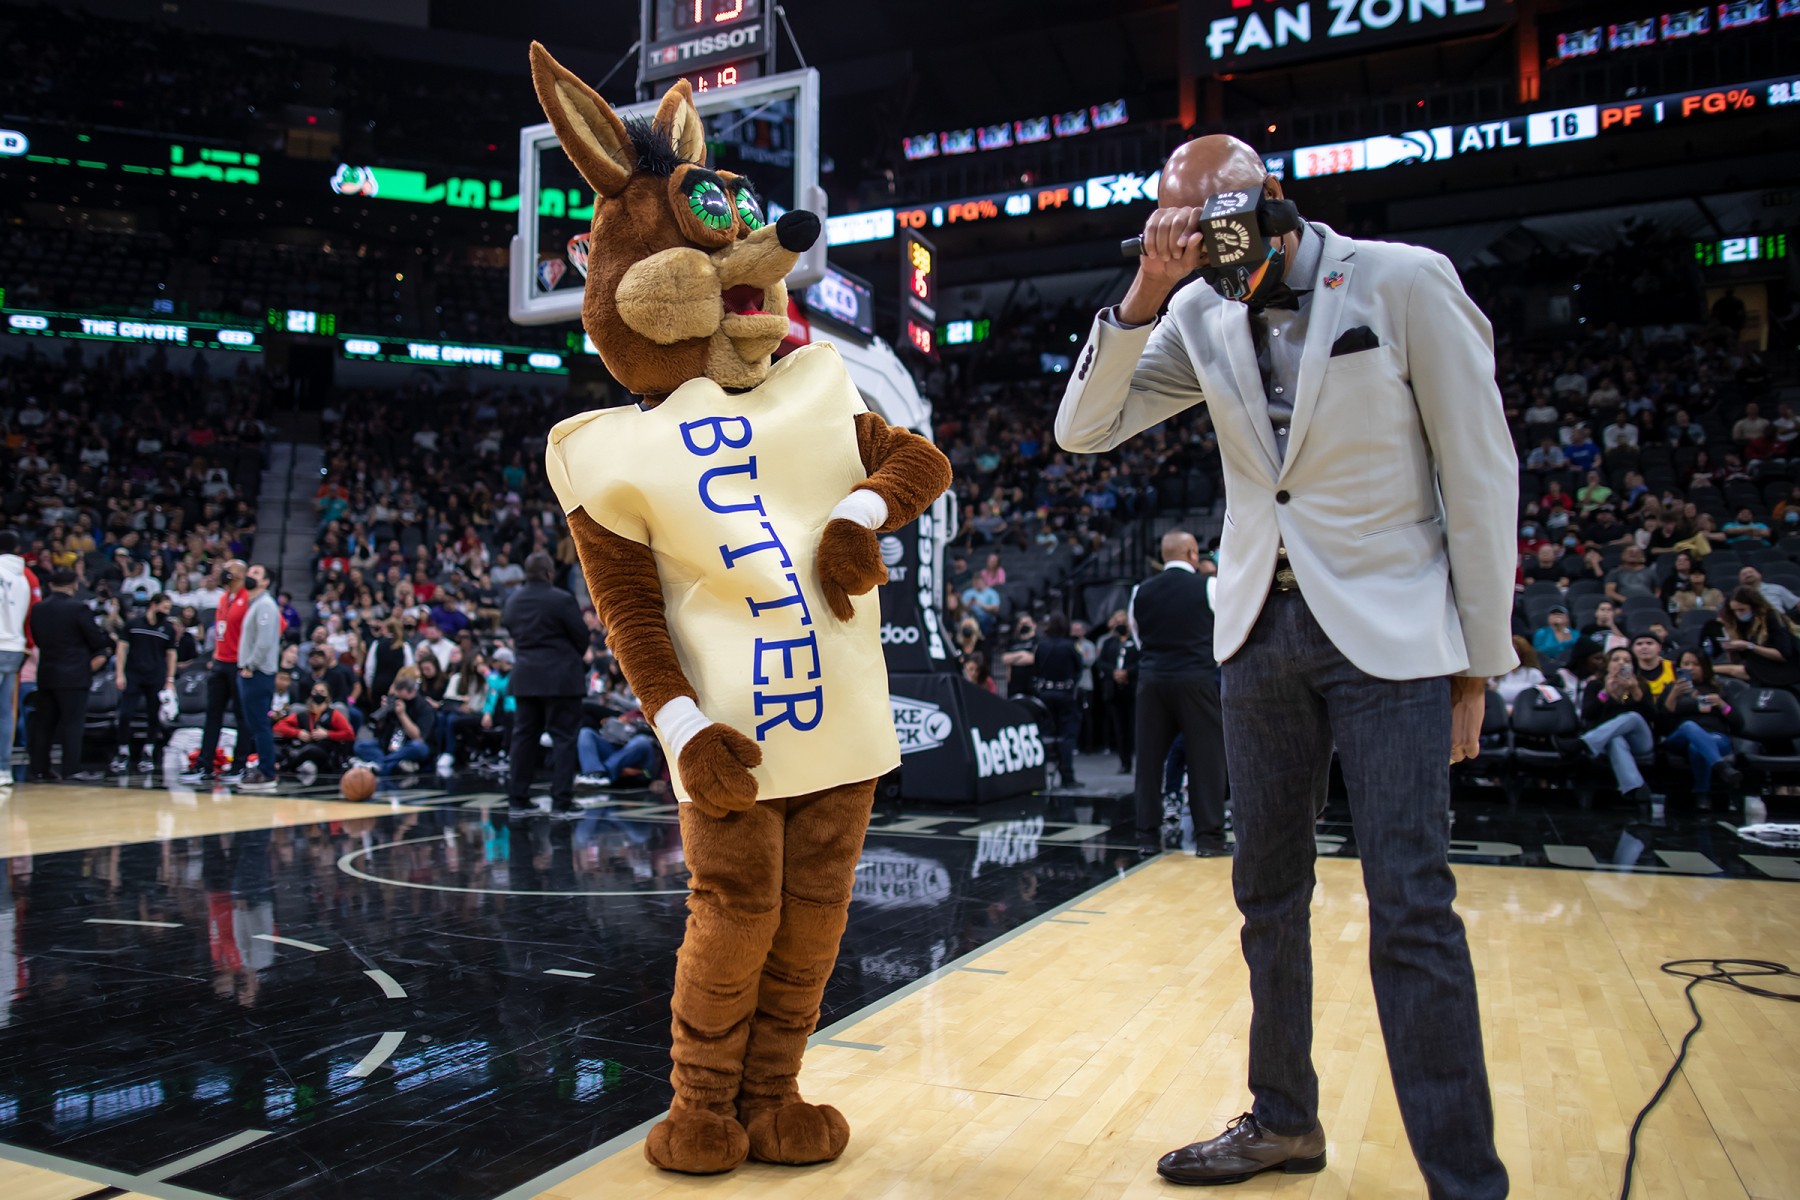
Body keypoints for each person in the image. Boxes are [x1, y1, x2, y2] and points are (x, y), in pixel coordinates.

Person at [1055, 134, 1512, 1193]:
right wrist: (1145, 290)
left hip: (1391, 630)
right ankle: (1284, 1121)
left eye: (1215, 234)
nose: (1210, 261)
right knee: (1265, 894)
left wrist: (1477, 663)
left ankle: (1465, 1180)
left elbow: (1481, 473)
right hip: (1258, 627)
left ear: (1270, 204)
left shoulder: (1403, 281)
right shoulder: (1195, 308)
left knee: (1411, 905)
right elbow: (1085, 429)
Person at [1123, 529, 1228, 856]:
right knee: (1206, 759)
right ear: (1193, 553)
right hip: (1197, 678)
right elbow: (1225, 632)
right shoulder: (1209, 586)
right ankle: (1209, 839)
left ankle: (1147, 837)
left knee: (1149, 761)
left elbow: (1138, 637)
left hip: (1152, 681)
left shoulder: (1140, 590)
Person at [500, 552, 587, 816]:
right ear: (550, 573)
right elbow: (581, 637)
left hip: (525, 677)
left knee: (523, 738)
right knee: (563, 739)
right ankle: (561, 802)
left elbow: (509, 628)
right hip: (561, 678)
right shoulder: (561, 599)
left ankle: (518, 800)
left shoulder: (512, 601)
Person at [25, 568, 111, 782]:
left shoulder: (38, 609)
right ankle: (71, 769)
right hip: (74, 674)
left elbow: (36, 638)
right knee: (73, 723)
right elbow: (96, 640)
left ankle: (40, 769)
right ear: (74, 584)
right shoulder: (78, 608)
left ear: (51, 585)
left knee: (45, 724)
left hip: (47, 673)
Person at [184, 558, 249, 786]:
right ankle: (205, 764)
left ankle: (240, 765)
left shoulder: (248, 599)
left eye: (228, 570)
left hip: (238, 664)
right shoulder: (223, 597)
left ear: (241, 574)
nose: (223, 573)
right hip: (220, 662)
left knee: (242, 717)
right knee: (212, 715)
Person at [1656, 649, 1743, 807]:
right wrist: (1673, 696)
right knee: (1689, 726)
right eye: (1686, 664)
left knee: (1696, 747)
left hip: (1715, 736)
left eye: (1695, 664)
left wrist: (1722, 704)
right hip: (1679, 738)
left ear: (1705, 666)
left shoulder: (1719, 689)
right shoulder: (1671, 689)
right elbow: (1662, 725)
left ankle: (1702, 795)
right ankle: (1721, 766)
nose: (1690, 668)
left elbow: (1738, 723)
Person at [1575, 646, 1657, 805]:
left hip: (1640, 741)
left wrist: (1635, 691)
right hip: (1607, 741)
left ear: (1633, 666)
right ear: (1607, 665)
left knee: (1632, 717)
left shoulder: (1642, 685)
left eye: (1627, 660)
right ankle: (1636, 788)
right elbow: (1588, 715)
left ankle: (1584, 743)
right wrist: (1606, 693)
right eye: (1616, 659)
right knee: (1616, 739)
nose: (1621, 663)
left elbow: (1653, 717)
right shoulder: (1596, 686)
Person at [110, 591, 177, 775]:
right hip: (133, 674)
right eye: (164, 608)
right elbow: (122, 649)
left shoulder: (168, 629)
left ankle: (148, 751)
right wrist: (119, 674)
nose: (167, 612)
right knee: (125, 714)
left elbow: (171, 654)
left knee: (154, 716)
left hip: (156, 676)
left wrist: (170, 679)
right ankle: (123, 750)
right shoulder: (133, 624)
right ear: (153, 605)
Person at [1017, 611, 1083, 786]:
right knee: (1067, 735)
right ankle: (1067, 776)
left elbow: (1036, 667)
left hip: (1046, 694)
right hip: (1065, 693)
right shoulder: (1070, 646)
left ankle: (1040, 775)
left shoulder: (1042, 645)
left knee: (1045, 734)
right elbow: (1079, 667)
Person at [233, 565, 281, 791]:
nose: (249, 576)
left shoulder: (265, 605)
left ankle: (267, 772)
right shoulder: (255, 603)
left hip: (258, 672)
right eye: (249, 572)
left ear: (265, 582)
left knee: (260, 724)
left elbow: (264, 641)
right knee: (255, 723)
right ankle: (263, 768)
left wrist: (250, 665)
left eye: (256, 573)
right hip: (252, 671)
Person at [0, 530, 41, 788]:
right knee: (5, 712)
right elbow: (31, 615)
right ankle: (3, 769)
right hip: (15, 648)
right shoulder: (26, 576)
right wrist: (27, 645)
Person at [351, 668, 436, 782]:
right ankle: (391, 764)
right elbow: (379, 731)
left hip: (408, 746)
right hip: (388, 745)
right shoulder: (392, 701)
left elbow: (418, 737)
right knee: (360, 745)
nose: (398, 700)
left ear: (412, 692)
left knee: (419, 748)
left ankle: (381, 764)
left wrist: (402, 715)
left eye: (402, 697)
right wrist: (384, 711)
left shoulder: (424, 707)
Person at [1713, 588, 1800, 690]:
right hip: (1758, 674)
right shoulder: (1740, 625)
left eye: (1742, 610)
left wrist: (1749, 646)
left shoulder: (1772, 618)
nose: (1738, 614)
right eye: (1734, 611)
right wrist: (1730, 649)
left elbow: (1783, 655)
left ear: (1754, 606)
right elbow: (1738, 662)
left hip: (1784, 674)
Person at [274, 684, 355, 783]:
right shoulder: (304, 715)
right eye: (315, 691)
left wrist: (328, 734)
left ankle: (283, 767)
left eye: (322, 691)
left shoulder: (334, 714)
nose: (318, 694)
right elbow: (279, 727)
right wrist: (298, 733)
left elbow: (349, 734)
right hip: (304, 747)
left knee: (311, 750)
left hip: (326, 752)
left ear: (328, 696)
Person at [1094, 608, 1138, 772]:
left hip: (1132, 688)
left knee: (1135, 726)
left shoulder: (1136, 642)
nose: (1120, 624)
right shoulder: (1109, 643)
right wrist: (1114, 672)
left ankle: (1138, 760)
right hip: (1114, 690)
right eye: (1117, 622)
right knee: (1120, 728)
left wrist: (1128, 672)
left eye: (1123, 621)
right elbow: (1101, 662)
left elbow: (1143, 660)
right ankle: (1124, 762)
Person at [1493, 637, 1546, 708]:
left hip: (1526, 710)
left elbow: (1539, 699)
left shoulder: (1534, 673)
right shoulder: (1498, 674)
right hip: (1501, 710)